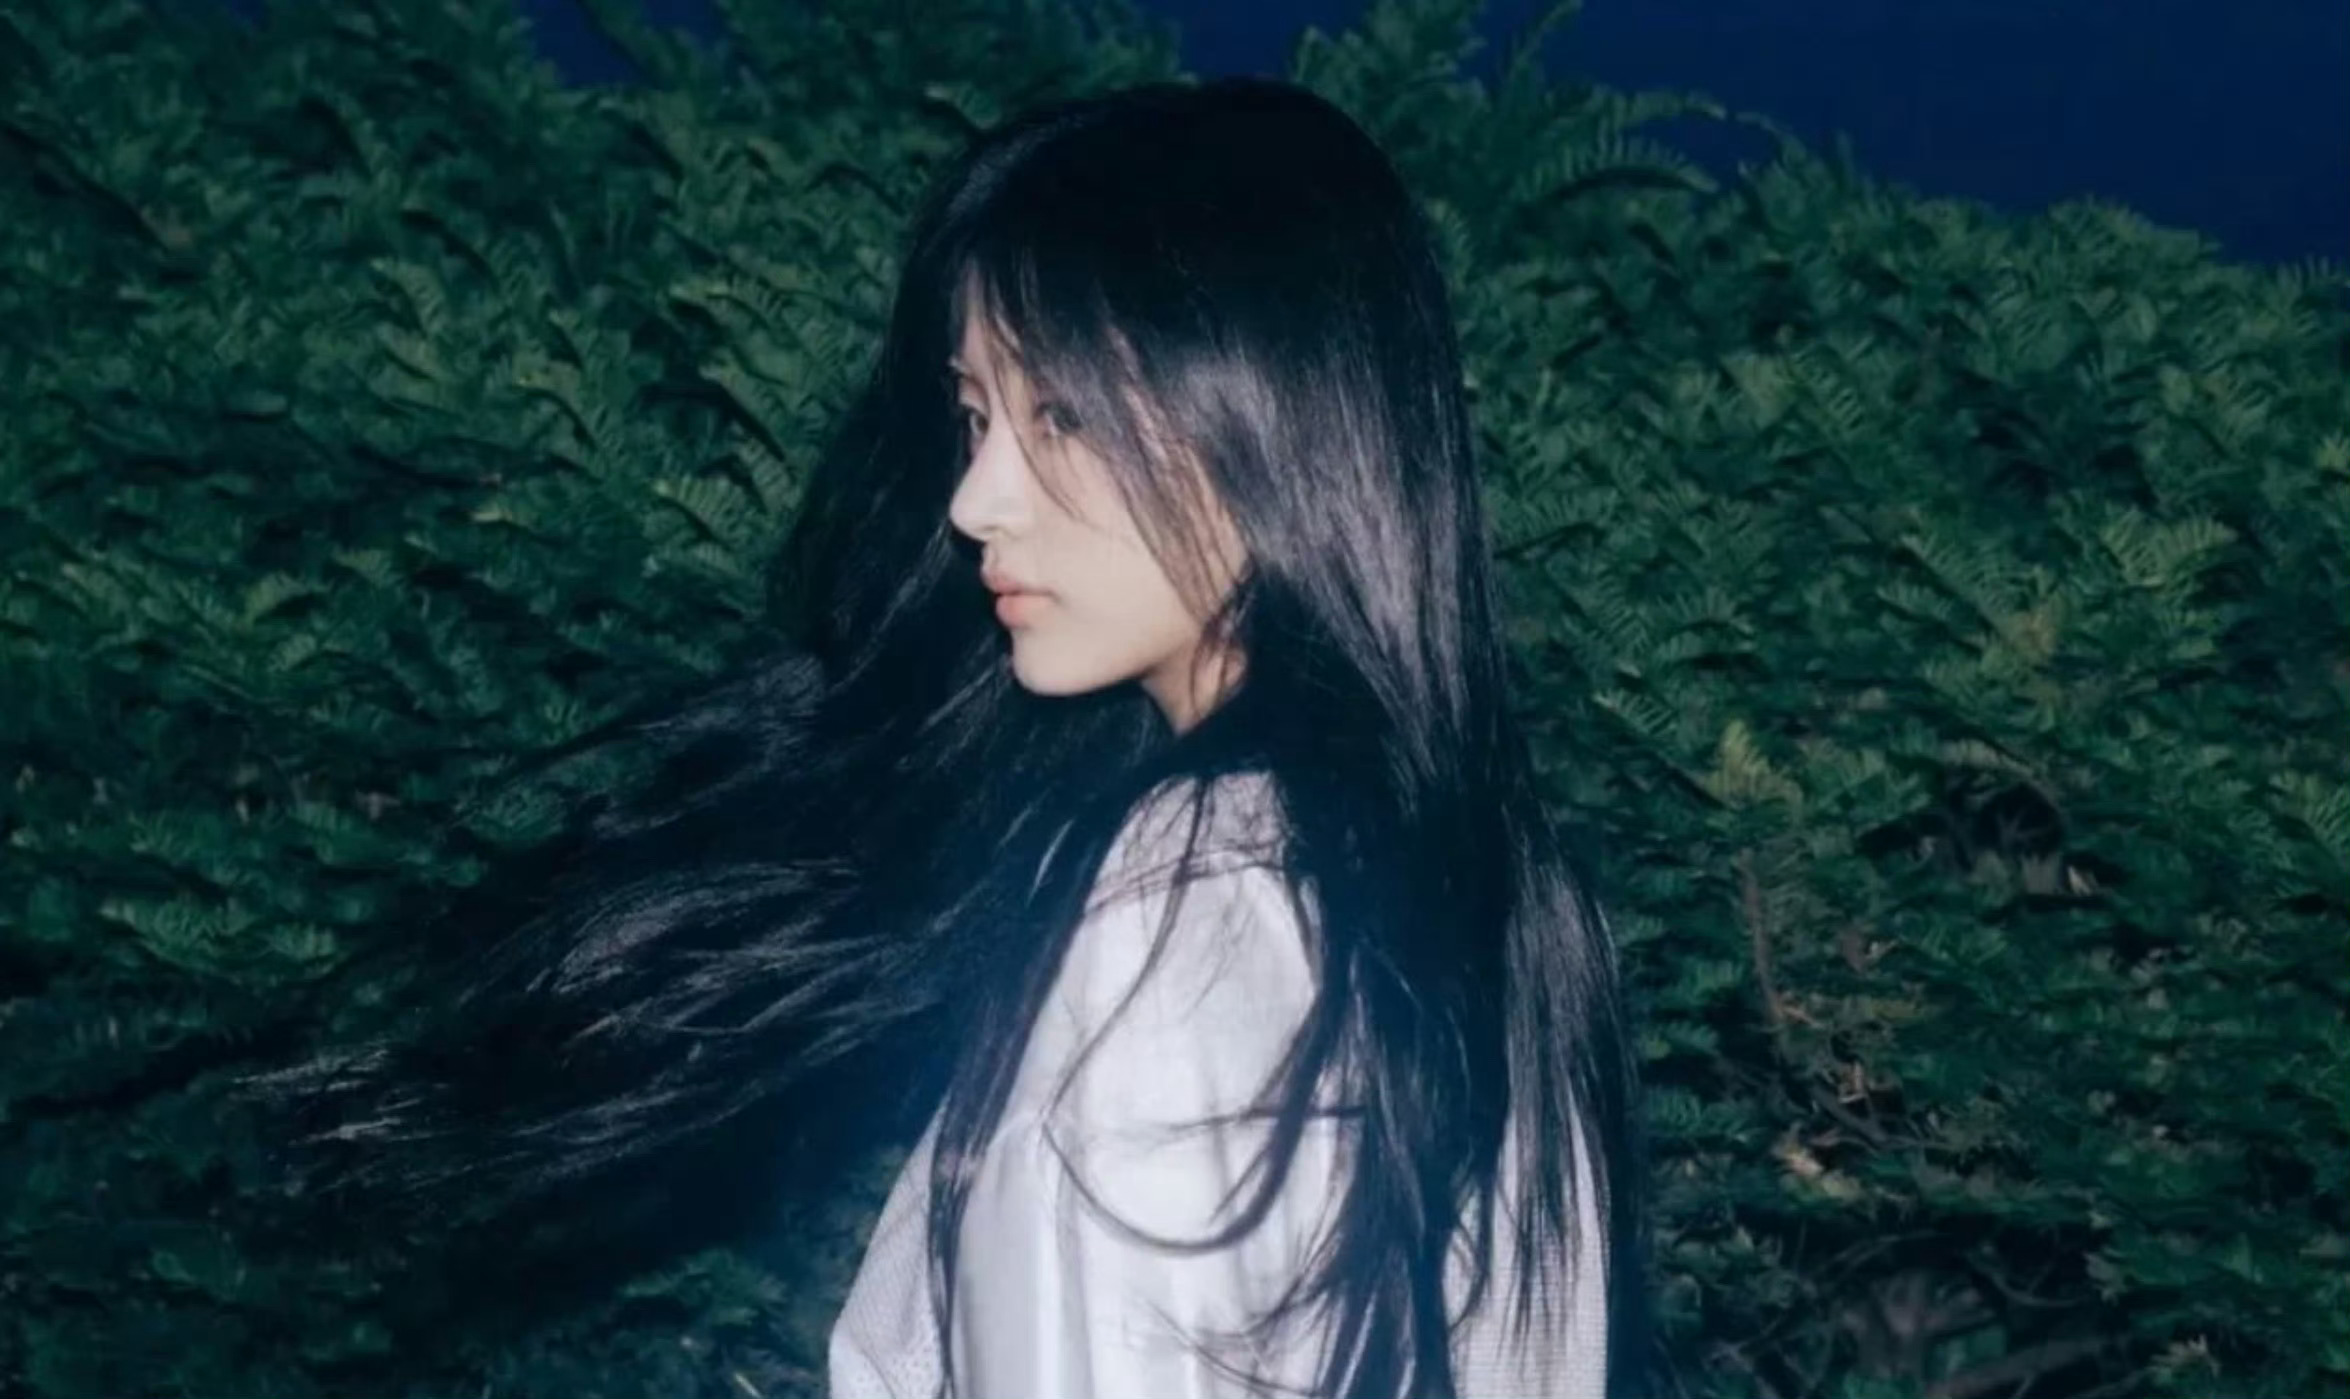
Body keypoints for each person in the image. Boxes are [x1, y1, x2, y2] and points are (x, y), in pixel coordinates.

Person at [258, 78, 1648, 1399]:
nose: (977, 499)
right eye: (977, 415)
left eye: (1060, 414)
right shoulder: (1493, 891)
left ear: (1268, 418)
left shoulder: (1186, 901)